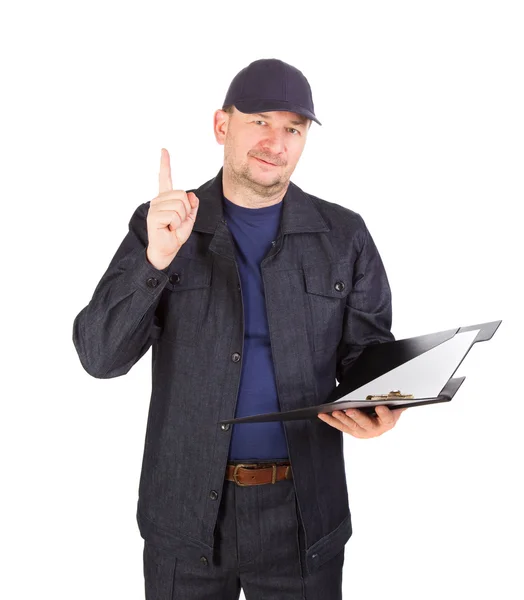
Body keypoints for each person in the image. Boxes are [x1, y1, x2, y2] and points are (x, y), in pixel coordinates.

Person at [72, 58, 406, 599]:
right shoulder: (164, 223)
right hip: (185, 518)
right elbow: (99, 357)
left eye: (293, 129)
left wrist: (382, 407)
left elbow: (367, 353)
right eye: (260, 121)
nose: (276, 141)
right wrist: (155, 260)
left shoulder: (344, 236)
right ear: (222, 126)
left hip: (303, 519)